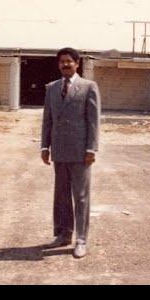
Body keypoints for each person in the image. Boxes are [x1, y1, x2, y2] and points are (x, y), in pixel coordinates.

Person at [40, 47, 101, 258]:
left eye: (69, 61)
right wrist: (44, 146)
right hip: (59, 150)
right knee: (62, 196)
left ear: (77, 63)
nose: (65, 65)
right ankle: (63, 235)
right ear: (58, 65)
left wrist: (92, 148)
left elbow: (93, 122)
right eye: (62, 62)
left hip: (81, 151)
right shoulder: (52, 88)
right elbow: (47, 120)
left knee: (81, 197)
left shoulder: (88, 87)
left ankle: (81, 240)